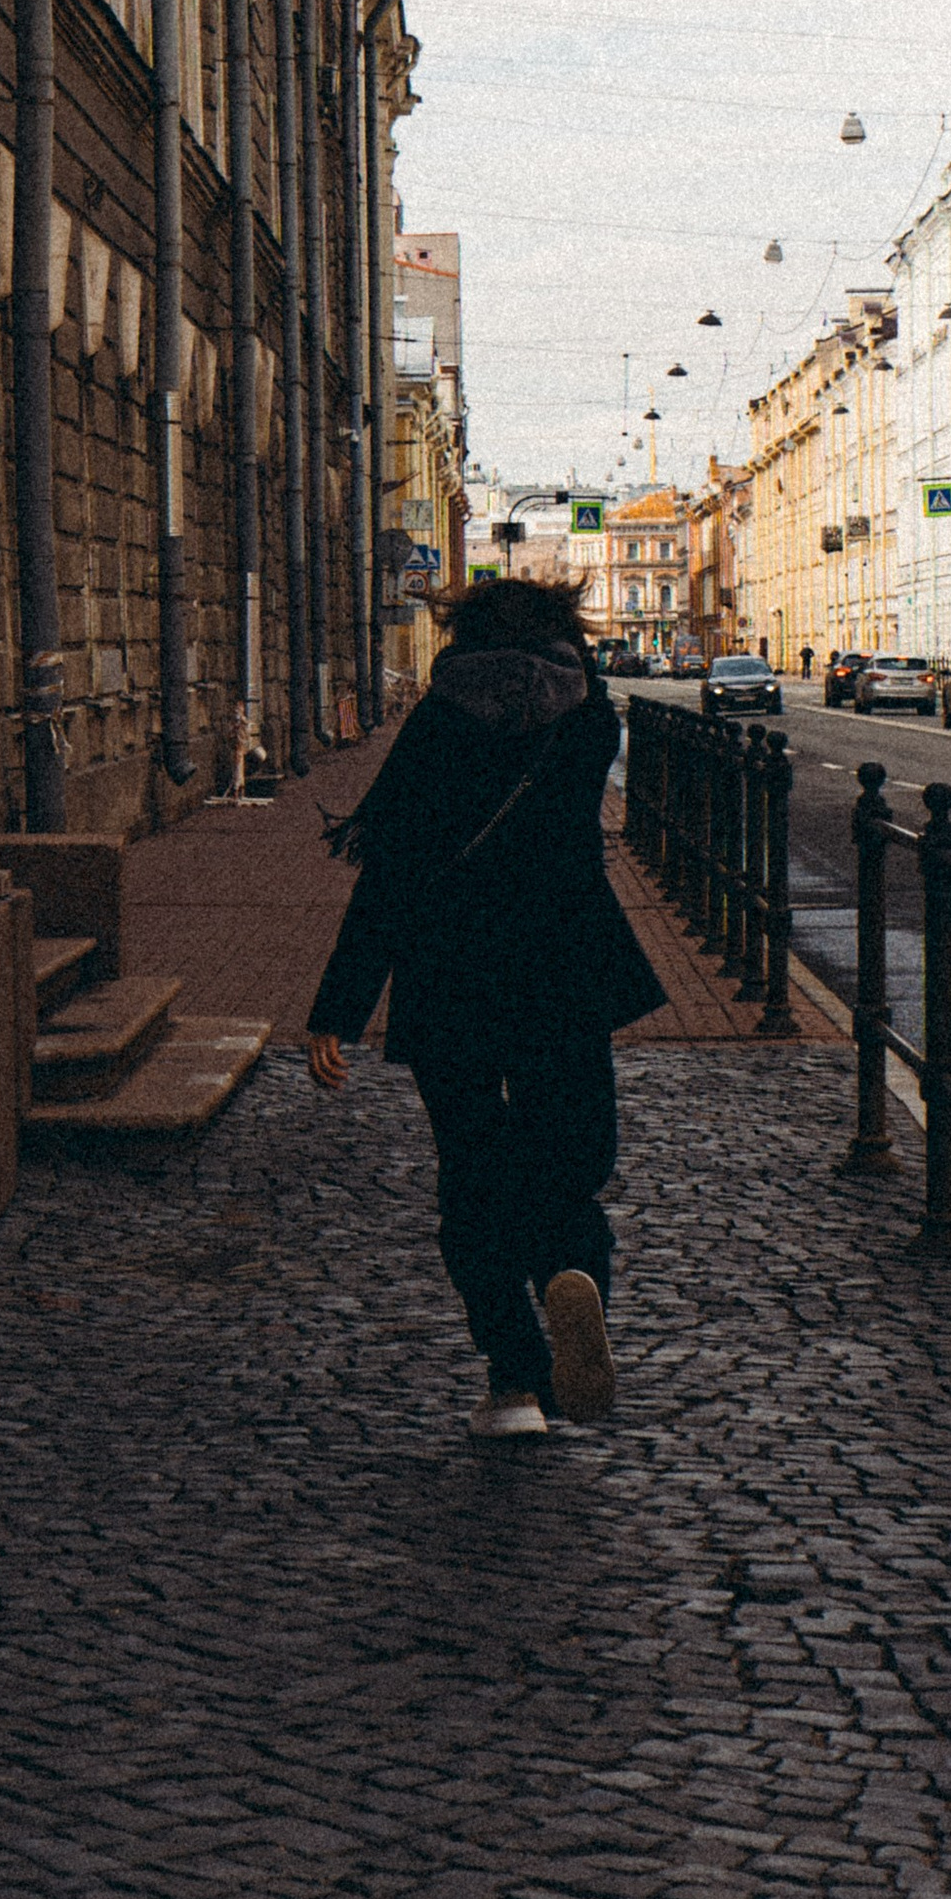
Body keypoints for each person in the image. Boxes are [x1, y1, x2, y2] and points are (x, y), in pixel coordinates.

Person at [305, 576, 665, 1437]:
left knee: (471, 1174)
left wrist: (338, 1008)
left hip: (450, 974)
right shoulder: (589, 722)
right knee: (573, 1162)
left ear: (459, 637)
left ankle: (514, 1381)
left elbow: (387, 868)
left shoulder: (437, 724)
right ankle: (573, 1275)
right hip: (567, 973)